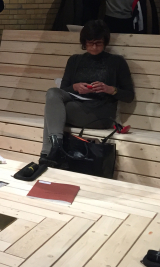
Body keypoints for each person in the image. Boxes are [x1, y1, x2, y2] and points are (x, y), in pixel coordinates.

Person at [41, 20, 135, 161]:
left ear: (105, 42)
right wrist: (75, 87)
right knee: (52, 93)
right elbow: (63, 90)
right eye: (90, 43)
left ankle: (47, 153)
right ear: (84, 42)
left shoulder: (116, 62)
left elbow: (129, 96)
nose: (94, 47)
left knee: (52, 111)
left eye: (98, 43)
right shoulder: (75, 60)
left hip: (100, 113)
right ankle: (55, 146)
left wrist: (110, 89)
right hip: (76, 105)